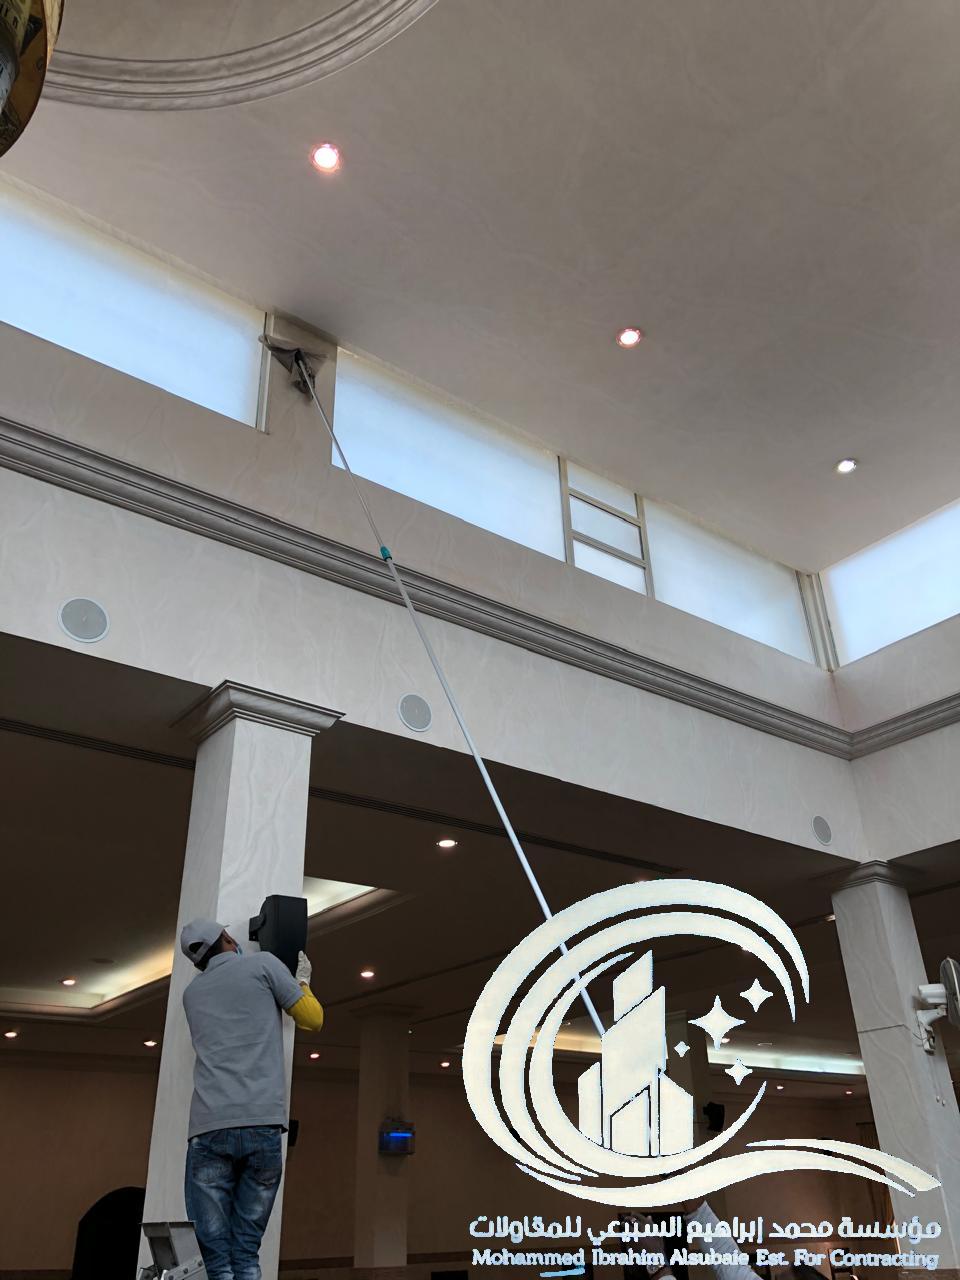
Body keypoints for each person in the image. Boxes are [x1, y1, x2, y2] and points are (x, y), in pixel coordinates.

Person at [179, 918, 325, 1280]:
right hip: (262, 1124)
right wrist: (301, 981)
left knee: (217, 1260)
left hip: (209, 1128)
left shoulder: (191, 994)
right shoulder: (263, 965)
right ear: (228, 938)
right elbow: (312, 1020)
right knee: (246, 1252)